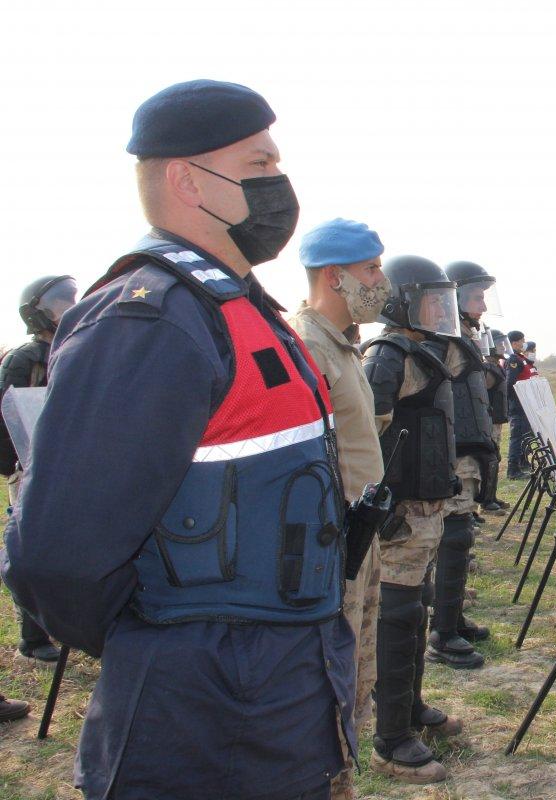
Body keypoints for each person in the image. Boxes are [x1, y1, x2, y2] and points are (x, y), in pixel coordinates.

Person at [2, 79, 355, 800]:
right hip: (199, 705)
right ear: (187, 180)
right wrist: (165, 639)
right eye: (259, 166)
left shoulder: (237, 306)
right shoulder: (151, 320)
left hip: (280, 685)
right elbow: (59, 554)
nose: (280, 185)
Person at [290, 218, 391, 800]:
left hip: (360, 532)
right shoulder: (306, 347)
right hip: (331, 545)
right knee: (331, 678)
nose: (381, 281)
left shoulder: (344, 345)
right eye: (371, 269)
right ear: (336, 276)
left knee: (357, 676)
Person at [361, 255, 465, 783]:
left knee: (414, 610)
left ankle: (411, 707)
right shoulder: (386, 355)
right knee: (398, 617)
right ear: (402, 300)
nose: (439, 311)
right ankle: (391, 739)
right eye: (430, 300)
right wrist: (376, 512)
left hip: (425, 512)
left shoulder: (423, 352)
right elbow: (364, 438)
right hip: (399, 517)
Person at [422, 260, 499, 669]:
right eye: (476, 297)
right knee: (453, 539)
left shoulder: (463, 336)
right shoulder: (440, 340)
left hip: (464, 452)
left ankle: (451, 617)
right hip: (450, 457)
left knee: (460, 536)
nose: (483, 306)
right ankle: (442, 633)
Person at [1, 275, 77, 664]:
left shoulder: (80, 348)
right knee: (31, 549)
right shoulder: (24, 360)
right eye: (62, 301)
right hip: (29, 467)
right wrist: (14, 469)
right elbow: (8, 415)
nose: (70, 306)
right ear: (38, 313)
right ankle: (32, 639)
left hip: (71, 467)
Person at [479, 328, 512, 513]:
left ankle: (492, 496)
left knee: (495, 458)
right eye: (499, 343)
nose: (502, 346)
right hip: (489, 421)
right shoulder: (488, 369)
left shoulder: (496, 366)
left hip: (495, 421)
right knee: (490, 459)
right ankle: (486, 501)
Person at [505, 330, 540, 479]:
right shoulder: (513, 360)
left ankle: (524, 462)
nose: (524, 343)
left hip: (527, 406)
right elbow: (510, 384)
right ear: (514, 343)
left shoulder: (521, 359)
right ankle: (513, 470)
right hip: (518, 406)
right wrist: (517, 400)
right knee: (517, 438)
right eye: (521, 340)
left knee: (525, 436)